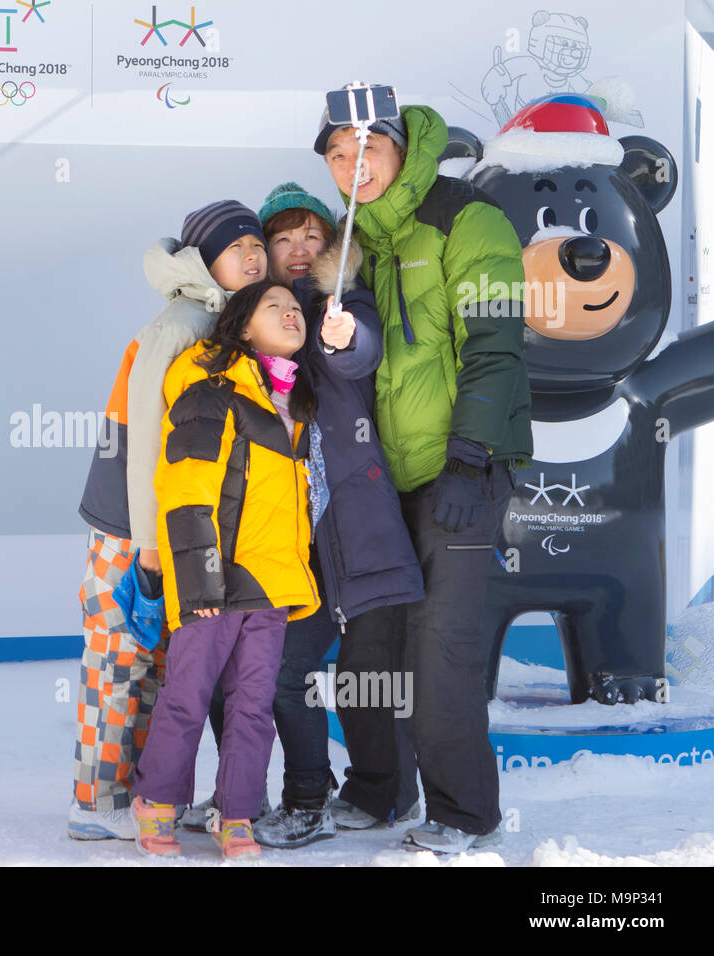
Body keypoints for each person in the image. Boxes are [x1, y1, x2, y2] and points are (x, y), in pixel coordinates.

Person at [314, 94, 532, 853]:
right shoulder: (358, 243)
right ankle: (379, 791)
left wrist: (470, 463)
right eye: (338, 155)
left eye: (364, 148)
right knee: (369, 644)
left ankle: (464, 812)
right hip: (386, 478)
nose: (352, 167)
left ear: (402, 147)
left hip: (460, 472)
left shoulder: (469, 219)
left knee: (439, 651)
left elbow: (497, 348)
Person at [185, 183, 426, 848]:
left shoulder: (339, 308)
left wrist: (342, 335)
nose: (297, 250)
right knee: (277, 672)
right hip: (294, 547)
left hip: (361, 532)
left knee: (362, 678)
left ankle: (379, 796)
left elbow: (359, 351)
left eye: (311, 237)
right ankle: (284, 795)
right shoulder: (263, 324)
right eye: (282, 239)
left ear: (329, 246)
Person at [69, 201, 268, 840]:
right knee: (118, 657)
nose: (253, 255)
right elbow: (150, 437)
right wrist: (150, 543)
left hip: (164, 526)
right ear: (203, 259)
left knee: (154, 661)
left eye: (256, 244)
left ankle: (131, 796)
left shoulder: (222, 319)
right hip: (130, 523)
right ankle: (95, 805)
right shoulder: (182, 323)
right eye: (236, 247)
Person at [128, 280, 322, 859]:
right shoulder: (212, 389)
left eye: (295, 308)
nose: (290, 313)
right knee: (188, 694)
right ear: (242, 326)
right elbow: (185, 490)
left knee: (253, 705)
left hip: (272, 584)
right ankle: (157, 802)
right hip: (214, 579)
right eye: (273, 307)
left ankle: (236, 813)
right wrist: (200, 579)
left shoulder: (294, 403)